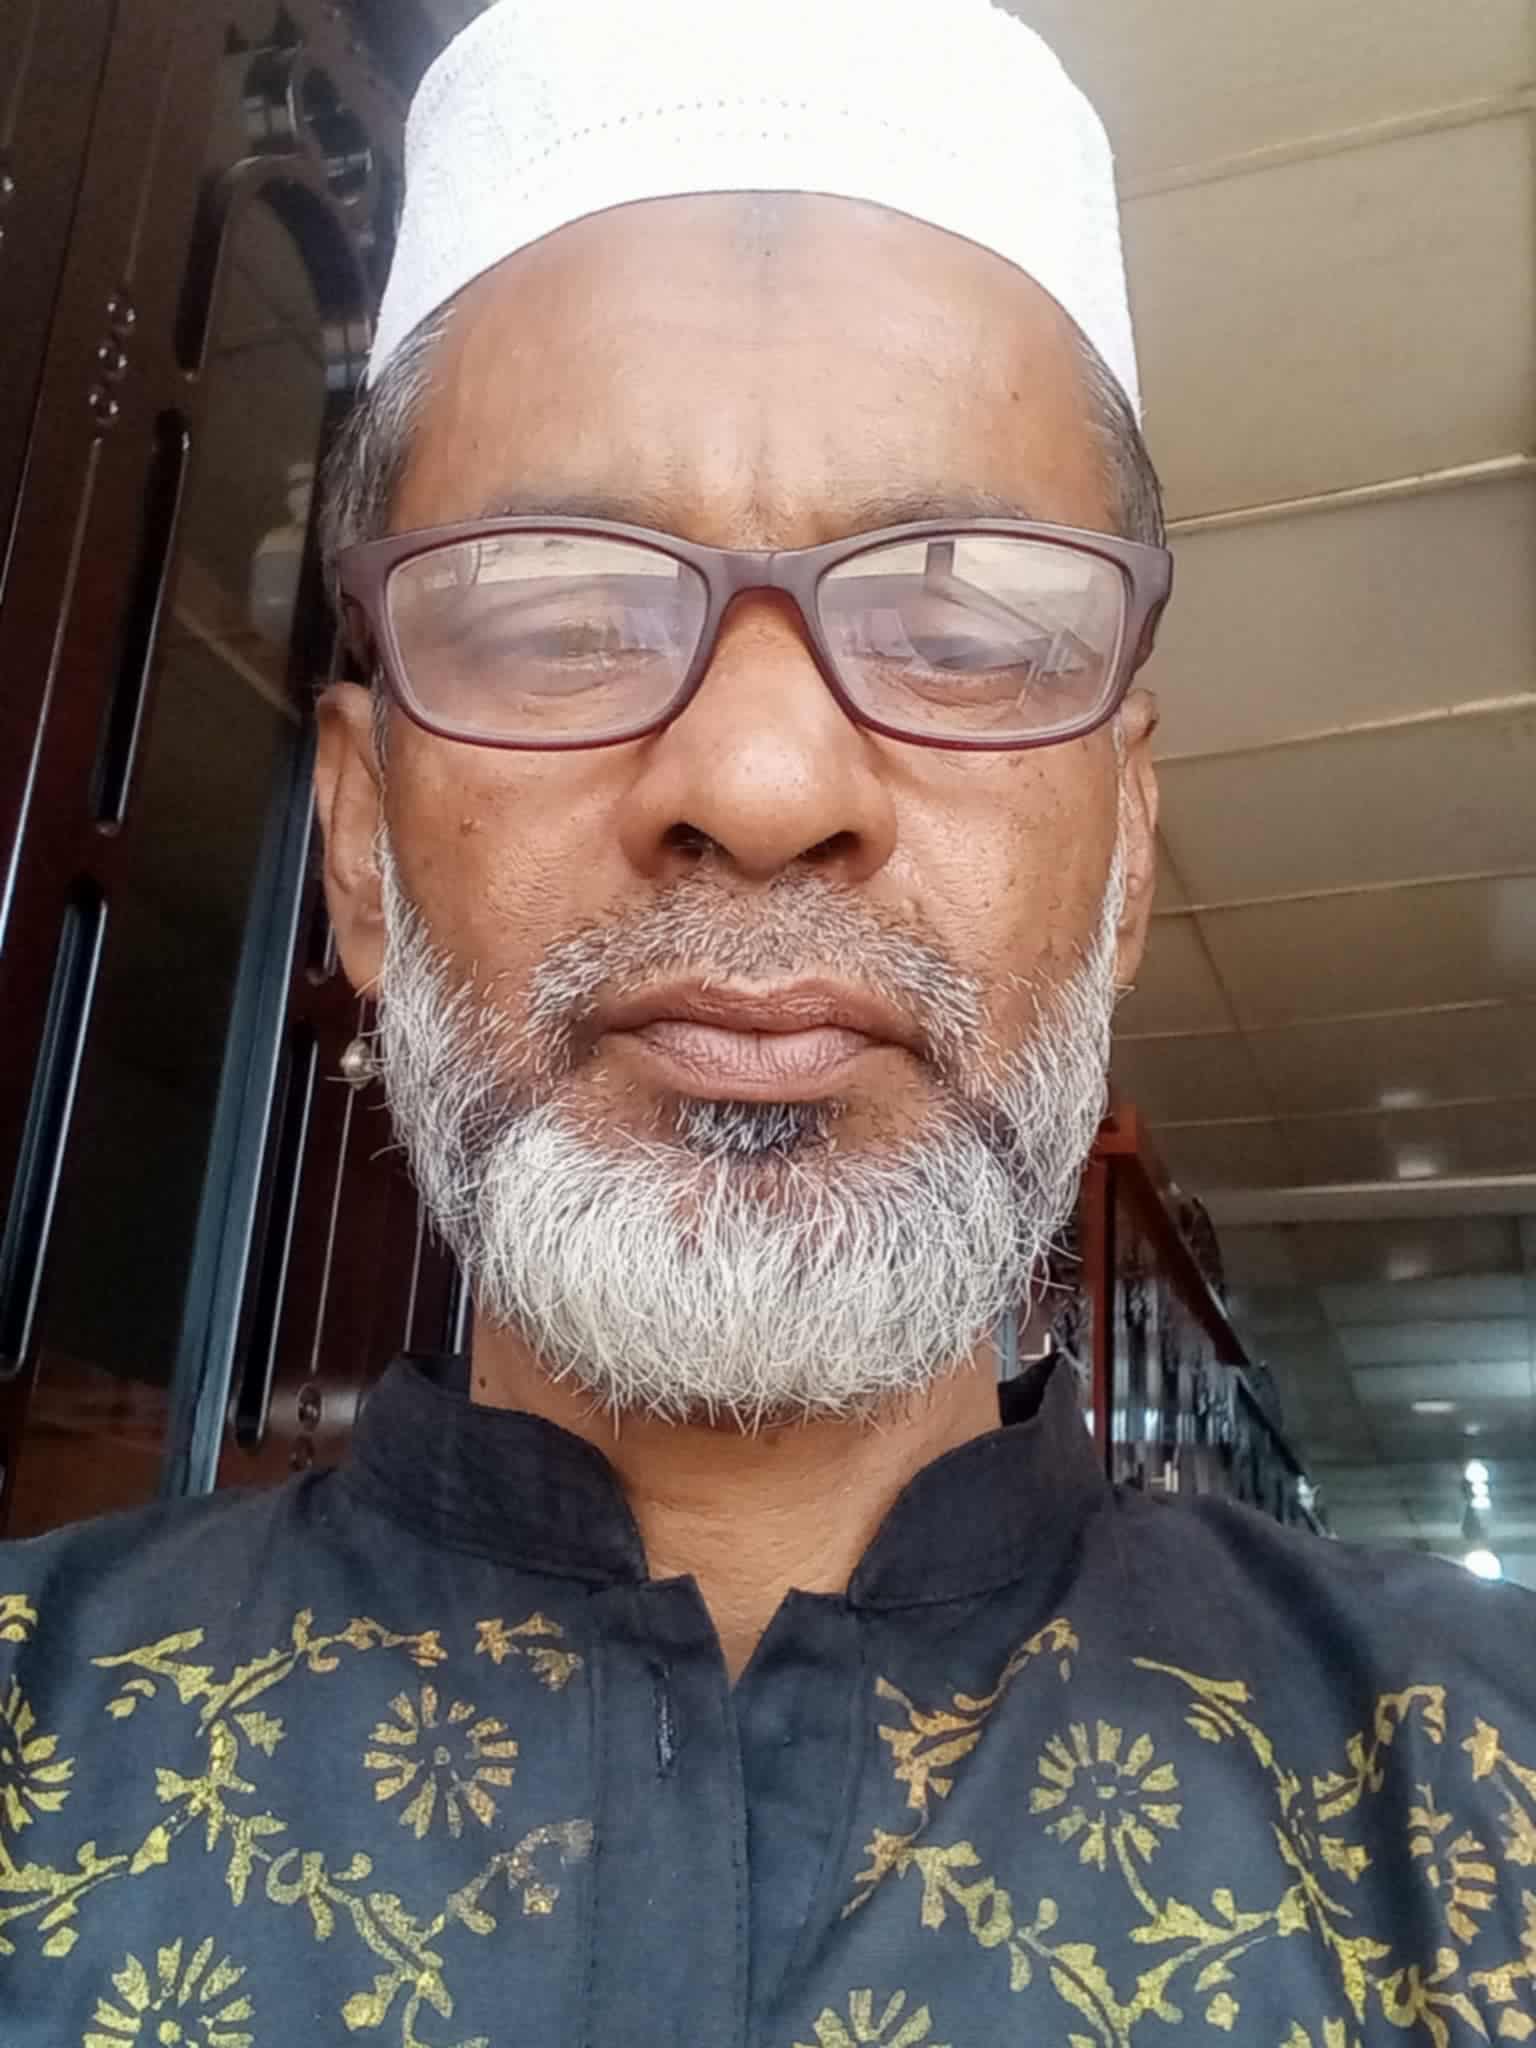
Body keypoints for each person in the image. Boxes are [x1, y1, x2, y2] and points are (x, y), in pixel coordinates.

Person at [3, 2, 1533, 2041]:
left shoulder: (1485, 1793)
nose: (758, 776)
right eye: (562, 609)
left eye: (960, 624)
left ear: (1125, 858)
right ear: (363, 847)